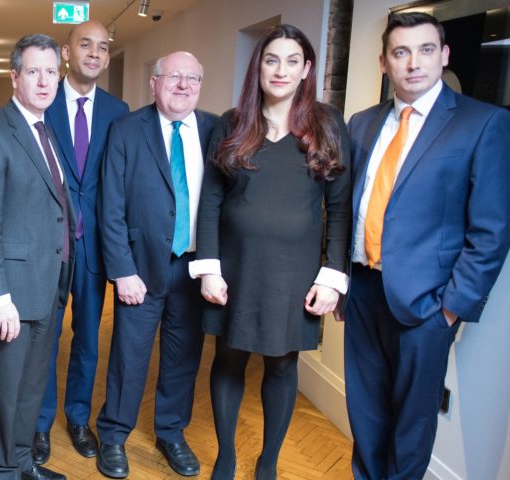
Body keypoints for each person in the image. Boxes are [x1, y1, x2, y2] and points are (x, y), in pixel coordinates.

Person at [345, 12, 510, 479]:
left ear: (445, 56)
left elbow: (491, 230)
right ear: (384, 62)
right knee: (367, 414)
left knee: (411, 427)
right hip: (362, 292)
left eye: (425, 50)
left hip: (427, 305)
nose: (413, 62)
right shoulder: (361, 123)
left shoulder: (483, 124)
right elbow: (350, 207)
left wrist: (450, 310)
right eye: (400, 52)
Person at [192, 25, 351, 480]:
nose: (280, 70)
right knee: (229, 358)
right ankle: (225, 456)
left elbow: (339, 210)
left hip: (295, 273)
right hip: (236, 269)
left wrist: (331, 277)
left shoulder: (328, 124)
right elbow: (211, 202)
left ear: (306, 70)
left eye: (291, 61)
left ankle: (269, 463)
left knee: (282, 364)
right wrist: (209, 269)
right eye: (271, 60)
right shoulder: (232, 122)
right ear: (257, 67)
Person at [96, 51, 218, 479]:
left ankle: (171, 432)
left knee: (184, 358)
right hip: (141, 269)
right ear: (154, 82)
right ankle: (113, 435)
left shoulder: (213, 129)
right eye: (173, 77)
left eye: (192, 78)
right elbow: (110, 205)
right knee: (129, 357)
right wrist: (122, 269)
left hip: (194, 268)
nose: (183, 85)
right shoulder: (127, 130)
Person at [0, 34, 74, 480]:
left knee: (31, 387)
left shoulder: (46, 130)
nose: (44, 80)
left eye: (51, 71)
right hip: (10, 293)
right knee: (5, 391)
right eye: (34, 71)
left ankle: (21, 463)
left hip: (47, 285)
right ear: (15, 77)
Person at [33, 20, 129, 464]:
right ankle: (37, 425)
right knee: (43, 339)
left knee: (88, 339)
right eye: (85, 44)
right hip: (47, 245)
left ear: (107, 58)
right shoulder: (42, 103)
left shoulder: (119, 111)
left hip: (95, 248)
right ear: (67, 52)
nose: (94, 52)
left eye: (103, 47)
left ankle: (77, 417)